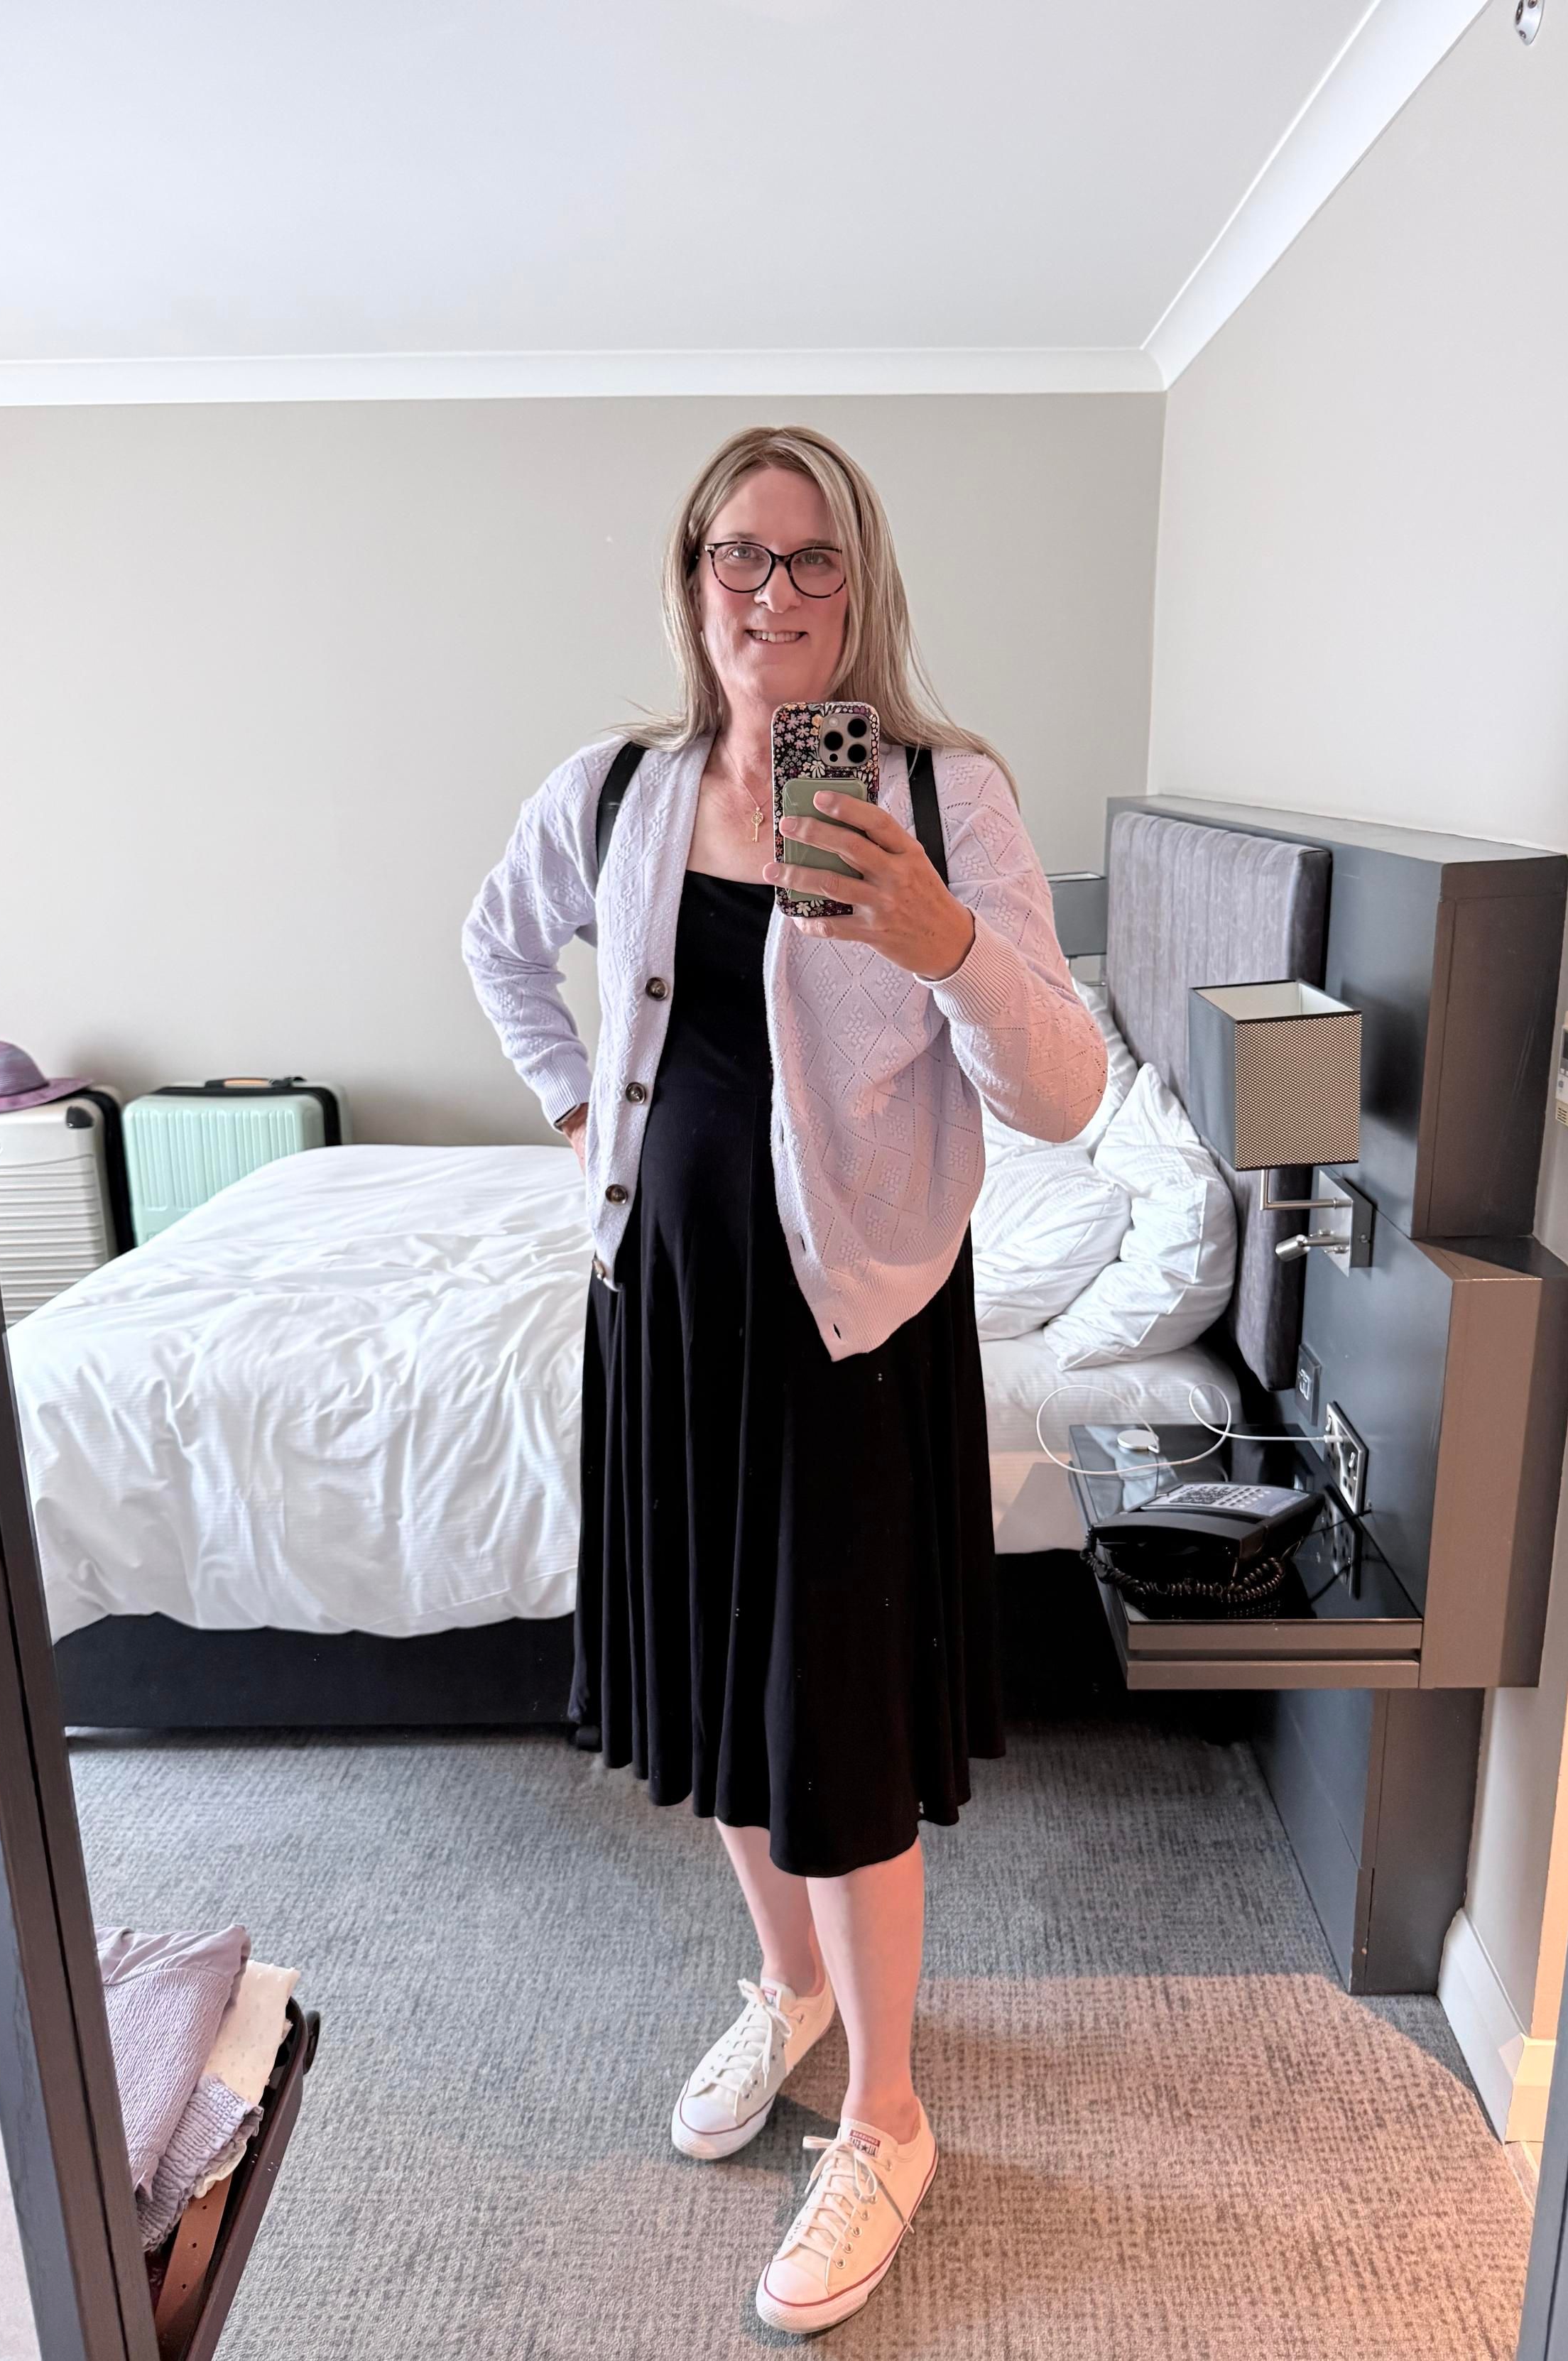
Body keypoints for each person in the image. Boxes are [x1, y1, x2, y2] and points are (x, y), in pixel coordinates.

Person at [463, 423, 1105, 2335]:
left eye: (811, 562)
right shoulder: (618, 790)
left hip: (854, 1322)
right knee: (729, 1691)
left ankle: (888, 2120)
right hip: (666, 1305)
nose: (772, 594)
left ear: (861, 586)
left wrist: (948, 939)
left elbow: (1064, 1095)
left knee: (833, 1721)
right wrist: (584, 1107)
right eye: (738, 557)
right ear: (690, 582)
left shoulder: (942, 791)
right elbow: (502, 954)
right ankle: (792, 1993)